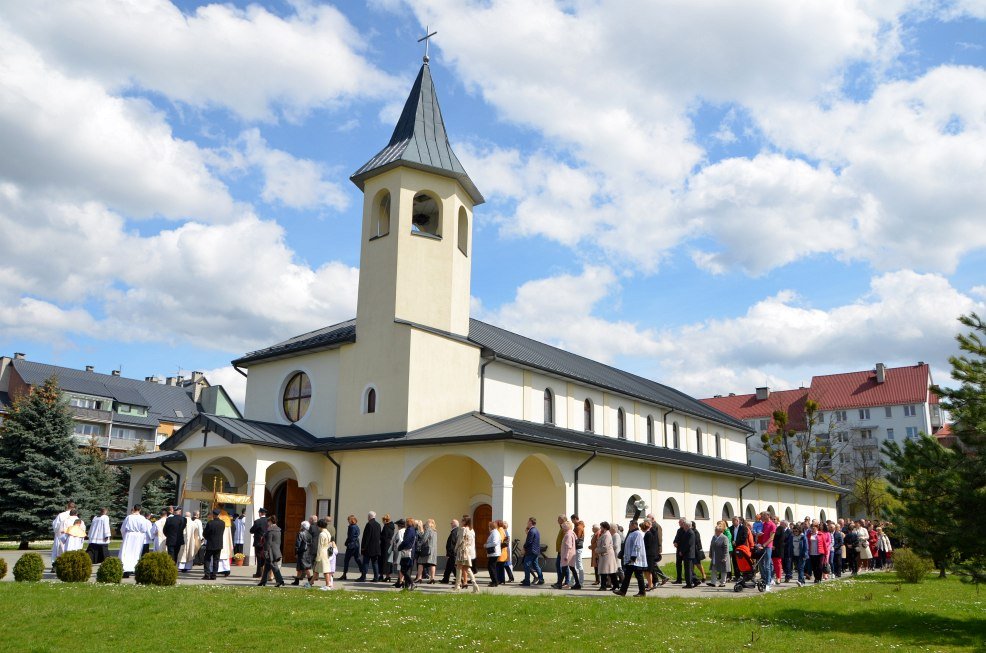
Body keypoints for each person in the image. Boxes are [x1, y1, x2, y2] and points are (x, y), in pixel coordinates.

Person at [615, 520, 646, 596]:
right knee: (627, 576)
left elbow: (637, 546)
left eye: (630, 525)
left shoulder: (638, 534)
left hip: (635, 560)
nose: (629, 527)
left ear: (634, 525)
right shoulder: (631, 533)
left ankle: (642, 592)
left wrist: (633, 557)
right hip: (630, 560)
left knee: (639, 576)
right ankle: (622, 591)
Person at [119, 505, 152, 578]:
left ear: (133, 509)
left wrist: (124, 536)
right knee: (136, 553)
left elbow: (122, 529)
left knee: (126, 552)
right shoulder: (142, 518)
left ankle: (126, 569)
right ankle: (134, 569)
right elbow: (144, 529)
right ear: (140, 510)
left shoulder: (129, 517)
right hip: (138, 537)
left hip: (129, 535)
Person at [453, 516, 479, 593]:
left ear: (465, 522)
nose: (461, 522)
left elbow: (460, 541)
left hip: (462, 550)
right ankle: (475, 585)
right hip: (468, 551)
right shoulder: (472, 530)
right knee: (467, 568)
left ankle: (457, 586)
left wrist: (455, 549)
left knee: (459, 568)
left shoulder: (463, 529)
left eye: (462, 520)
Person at [257, 514, 285, 587]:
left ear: (271, 522)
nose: (267, 523)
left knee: (273, 565)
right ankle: (263, 581)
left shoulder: (270, 531)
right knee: (267, 567)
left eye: (268, 522)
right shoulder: (278, 530)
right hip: (276, 550)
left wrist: (266, 552)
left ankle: (280, 581)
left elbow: (268, 543)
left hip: (271, 551)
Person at [201, 510, 226, 581]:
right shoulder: (222, 523)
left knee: (207, 559)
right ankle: (214, 575)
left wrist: (207, 538)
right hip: (219, 544)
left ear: (213, 515)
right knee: (216, 560)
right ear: (219, 515)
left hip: (211, 543)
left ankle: (207, 574)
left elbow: (205, 533)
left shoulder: (210, 523)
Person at [313, 518, 336, 591]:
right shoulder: (328, 533)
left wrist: (318, 557)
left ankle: (328, 584)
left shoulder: (322, 534)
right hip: (326, 551)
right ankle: (310, 582)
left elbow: (320, 546)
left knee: (325, 570)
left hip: (322, 553)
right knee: (317, 569)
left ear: (320, 526)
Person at [360, 511, 382, 582]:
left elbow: (366, 537)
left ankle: (363, 577)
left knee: (365, 563)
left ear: (369, 517)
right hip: (376, 548)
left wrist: (363, 547)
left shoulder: (369, 524)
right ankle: (376, 578)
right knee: (375, 563)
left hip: (368, 548)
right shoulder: (378, 525)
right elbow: (379, 536)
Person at [595, 521, 618, 590]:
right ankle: (615, 585)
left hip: (607, 555)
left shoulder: (606, 535)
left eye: (601, 527)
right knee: (609, 571)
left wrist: (597, 550)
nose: (600, 528)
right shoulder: (604, 534)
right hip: (604, 555)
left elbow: (605, 547)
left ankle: (604, 586)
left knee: (606, 571)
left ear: (604, 528)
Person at [521, 517, 544, 586]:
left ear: (530, 522)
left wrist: (524, 547)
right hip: (536, 551)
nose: (527, 522)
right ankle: (541, 579)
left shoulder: (531, 531)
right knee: (536, 565)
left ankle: (527, 581)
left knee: (526, 565)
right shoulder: (536, 530)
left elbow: (529, 541)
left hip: (531, 551)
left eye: (528, 521)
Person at [398, 517, 418, 590]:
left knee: (403, 569)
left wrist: (400, 547)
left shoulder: (409, 530)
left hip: (407, 551)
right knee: (406, 570)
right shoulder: (413, 530)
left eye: (406, 522)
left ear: (408, 523)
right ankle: (407, 587)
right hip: (410, 551)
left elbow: (406, 541)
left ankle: (412, 583)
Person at [416, 518, 438, 583]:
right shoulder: (435, 531)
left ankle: (419, 578)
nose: (425, 524)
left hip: (426, 550)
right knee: (432, 564)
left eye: (427, 523)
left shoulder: (428, 530)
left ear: (430, 524)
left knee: (420, 562)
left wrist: (418, 544)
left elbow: (424, 539)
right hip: (433, 551)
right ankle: (432, 579)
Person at [250, 508, 269, 579]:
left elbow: (251, 530)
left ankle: (259, 573)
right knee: (265, 558)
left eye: (259, 513)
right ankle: (265, 573)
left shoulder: (257, 521)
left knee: (259, 558)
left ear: (260, 513)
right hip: (266, 542)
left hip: (259, 543)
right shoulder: (268, 521)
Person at [293, 520, 314, 586]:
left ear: (303, 526)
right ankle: (297, 581)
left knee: (302, 567)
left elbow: (298, 544)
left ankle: (309, 580)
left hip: (301, 552)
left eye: (301, 525)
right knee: (304, 567)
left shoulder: (300, 533)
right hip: (307, 552)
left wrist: (296, 552)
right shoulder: (309, 534)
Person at [341, 515, 362, 581]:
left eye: (348, 520)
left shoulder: (351, 527)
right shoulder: (357, 526)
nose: (348, 521)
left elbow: (350, 537)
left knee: (346, 560)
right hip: (356, 545)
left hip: (351, 545)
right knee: (357, 559)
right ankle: (363, 572)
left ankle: (344, 574)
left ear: (351, 520)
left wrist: (346, 543)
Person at [442, 519, 461, 584]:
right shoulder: (457, 530)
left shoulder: (454, 532)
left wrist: (449, 553)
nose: (450, 524)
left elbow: (451, 543)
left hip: (452, 553)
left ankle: (459, 580)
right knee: (448, 567)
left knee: (453, 567)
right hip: (453, 552)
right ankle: (445, 579)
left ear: (454, 524)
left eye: (451, 523)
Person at [485, 520, 503, 587]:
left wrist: (486, 545)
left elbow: (495, 542)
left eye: (489, 526)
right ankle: (494, 581)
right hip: (493, 553)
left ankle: (495, 582)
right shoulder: (494, 532)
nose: (488, 528)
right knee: (491, 567)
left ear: (491, 527)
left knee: (491, 567)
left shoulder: (495, 533)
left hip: (494, 553)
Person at [552, 514, 568, 588]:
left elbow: (564, 540)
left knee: (562, 566)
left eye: (558, 519)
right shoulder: (561, 527)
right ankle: (560, 581)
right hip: (560, 550)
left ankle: (565, 582)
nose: (557, 520)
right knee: (560, 566)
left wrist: (562, 551)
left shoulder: (565, 527)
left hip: (562, 551)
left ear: (562, 520)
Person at [771, 519, 789, 584]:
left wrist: (774, 546)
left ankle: (778, 577)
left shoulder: (780, 528)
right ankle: (774, 577)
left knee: (777, 563)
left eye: (775, 519)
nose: (773, 520)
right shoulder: (775, 527)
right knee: (773, 564)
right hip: (772, 548)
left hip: (777, 549)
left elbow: (781, 539)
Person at [691, 521, 708, 585]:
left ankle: (704, 575)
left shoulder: (695, 532)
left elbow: (697, 542)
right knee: (692, 564)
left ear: (692, 526)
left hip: (696, 551)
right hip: (692, 550)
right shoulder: (691, 531)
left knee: (698, 564)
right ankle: (692, 577)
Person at [389, 519, 405, 587]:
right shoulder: (403, 531)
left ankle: (400, 581)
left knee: (399, 566)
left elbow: (400, 541)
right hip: (399, 550)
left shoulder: (400, 531)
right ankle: (399, 580)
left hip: (399, 550)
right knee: (399, 566)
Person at [380, 514, 396, 583]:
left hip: (385, 545)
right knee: (388, 561)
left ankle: (386, 576)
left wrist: (379, 536)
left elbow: (384, 537)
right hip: (389, 545)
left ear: (385, 520)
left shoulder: (386, 527)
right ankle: (388, 576)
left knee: (384, 561)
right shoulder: (392, 526)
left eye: (383, 520)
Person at [672, 518, 686, 583]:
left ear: (683, 522)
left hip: (684, 550)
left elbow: (684, 540)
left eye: (680, 522)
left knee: (686, 565)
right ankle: (679, 579)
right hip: (678, 549)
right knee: (678, 564)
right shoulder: (679, 530)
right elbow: (676, 537)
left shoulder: (686, 530)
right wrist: (675, 542)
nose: (679, 523)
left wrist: (682, 550)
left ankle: (689, 578)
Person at [572, 517, 586, 587]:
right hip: (577, 547)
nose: (572, 521)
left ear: (575, 519)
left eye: (572, 520)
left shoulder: (579, 527)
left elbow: (576, 538)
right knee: (575, 565)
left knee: (579, 565)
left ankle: (580, 582)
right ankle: (574, 581)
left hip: (578, 547)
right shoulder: (578, 526)